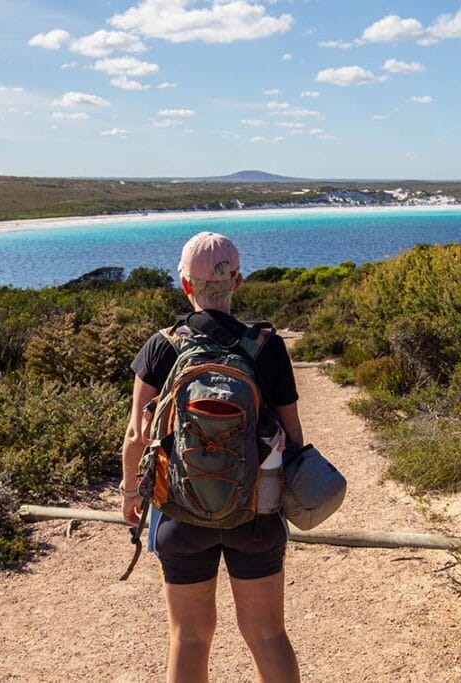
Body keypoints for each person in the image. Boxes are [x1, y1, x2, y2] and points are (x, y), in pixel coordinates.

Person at [120, 232, 303, 683]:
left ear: (186, 285)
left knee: (190, 637)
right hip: (256, 512)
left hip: (180, 513)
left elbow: (135, 435)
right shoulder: (267, 347)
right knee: (266, 635)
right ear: (237, 282)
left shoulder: (162, 346)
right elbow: (295, 439)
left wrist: (130, 495)